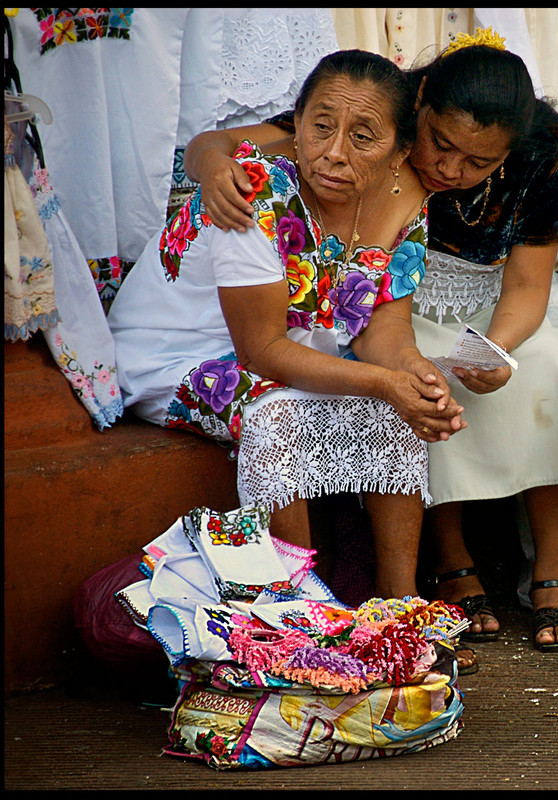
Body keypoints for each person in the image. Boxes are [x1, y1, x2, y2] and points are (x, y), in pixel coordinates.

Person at [183, 30, 558, 654]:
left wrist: (488, 351)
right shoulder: (353, 129)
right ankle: (436, 565)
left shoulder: (521, 155)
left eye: (478, 163)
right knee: (411, 383)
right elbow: (229, 150)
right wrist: (213, 169)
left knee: (536, 364)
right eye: (441, 145)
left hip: (453, 302)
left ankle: (528, 569)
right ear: (416, 111)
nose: (451, 170)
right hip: (350, 307)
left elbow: (523, 287)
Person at [107, 50, 466, 605]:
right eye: (321, 127)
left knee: (397, 400)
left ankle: (401, 604)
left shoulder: (403, 203)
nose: (334, 153)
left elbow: (385, 329)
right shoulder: (256, 194)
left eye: (363, 136)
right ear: (295, 126)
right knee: (275, 408)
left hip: (283, 349)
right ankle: (303, 610)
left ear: (400, 151)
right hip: (177, 357)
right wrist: (383, 382)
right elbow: (261, 353)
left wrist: (413, 374)